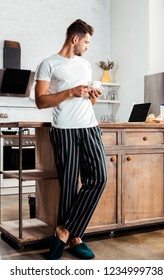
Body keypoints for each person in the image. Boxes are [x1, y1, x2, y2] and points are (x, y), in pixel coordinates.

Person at [35, 19, 108, 260]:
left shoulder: (85, 65)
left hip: (89, 127)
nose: (87, 46)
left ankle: (65, 231)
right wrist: (70, 92)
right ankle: (76, 239)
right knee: (69, 186)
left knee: (98, 178)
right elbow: (40, 101)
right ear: (74, 39)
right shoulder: (48, 64)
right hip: (64, 129)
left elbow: (86, 100)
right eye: (86, 41)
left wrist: (92, 96)